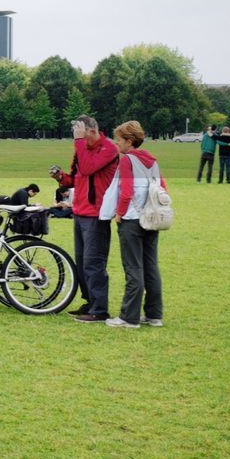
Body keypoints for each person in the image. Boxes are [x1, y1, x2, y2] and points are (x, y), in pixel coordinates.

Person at [50, 115, 120, 323]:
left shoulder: (108, 148)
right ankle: (90, 302)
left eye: (79, 133)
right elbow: (77, 177)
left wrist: (79, 142)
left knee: (93, 262)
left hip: (97, 215)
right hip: (80, 212)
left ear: (91, 130)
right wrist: (61, 177)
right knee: (81, 262)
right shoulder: (83, 149)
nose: (77, 138)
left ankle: (100, 310)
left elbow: (89, 167)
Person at [106, 120, 166, 329]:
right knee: (151, 267)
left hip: (132, 220)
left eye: (119, 140)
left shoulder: (127, 161)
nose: (116, 144)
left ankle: (129, 317)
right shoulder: (153, 161)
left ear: (129, 141)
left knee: (133, 267)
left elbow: (126, 191)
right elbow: (162, 188)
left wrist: (119, 213)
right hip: (151, 219)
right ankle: (154, 314)